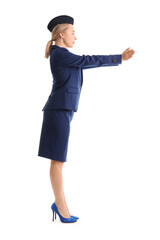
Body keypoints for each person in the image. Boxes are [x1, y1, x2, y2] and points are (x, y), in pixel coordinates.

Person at [37, 15, 135, 223]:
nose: (76, 36)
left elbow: (82, 64)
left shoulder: (61, 55)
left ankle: (60, 205)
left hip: (62, 109)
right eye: (73, 32)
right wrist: (119, 57)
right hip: (58, 109)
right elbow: (87, 60)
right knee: (58, 160)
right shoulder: (60, 54)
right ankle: (61, 206)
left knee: (58, 160)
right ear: (61, 34)